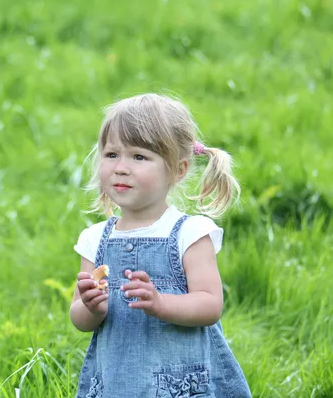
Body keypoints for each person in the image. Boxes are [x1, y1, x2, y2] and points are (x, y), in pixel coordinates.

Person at [70, 93, 252, 397]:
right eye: (112, 154)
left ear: (178, 170)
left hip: (178, 386)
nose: (121, 167)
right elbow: (79, 318)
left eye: (139, 156)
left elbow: (210, 304)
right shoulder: (95, 240)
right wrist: (92, 308)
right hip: (114, 386)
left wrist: (162, 303)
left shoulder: (190, 233)